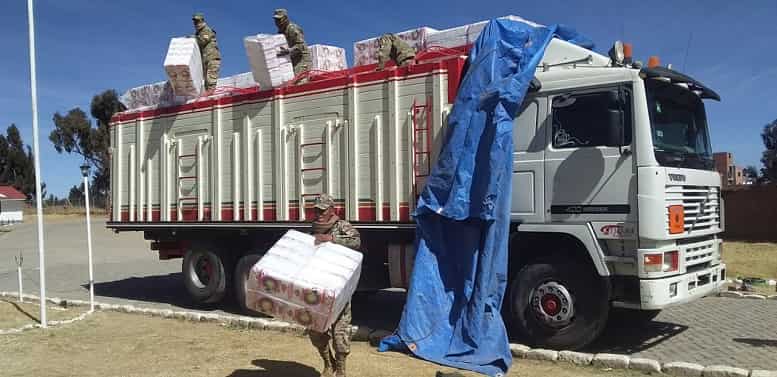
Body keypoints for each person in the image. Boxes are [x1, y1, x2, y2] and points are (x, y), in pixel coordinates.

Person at [309, 193, 361, 377]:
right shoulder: (313, 229)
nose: (319, 214)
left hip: (338, 287)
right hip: (318, 288)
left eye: (323, 210)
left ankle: (341, 369)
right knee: (316, 332)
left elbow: (356, 242)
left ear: (332, 209)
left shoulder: (342, 226)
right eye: (316, 210)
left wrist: (332, 239)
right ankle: (328, 363)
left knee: (340, 333)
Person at [273, 9, 312, 77]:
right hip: (292, 60)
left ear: (285, 18)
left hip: (302, 61)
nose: (277, 22)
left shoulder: (292, 28)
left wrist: (288, 51)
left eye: (279, 20)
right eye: (276, 20)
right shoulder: (281, 32)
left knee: (299, 81)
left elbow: (301, 46)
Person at [192, 13, 221, 91]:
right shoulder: (198, 34)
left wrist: (192, 39)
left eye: (198, 21)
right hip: (205, 59)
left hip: (212, 58)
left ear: (202, 20)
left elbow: (202, 41)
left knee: (210, 79)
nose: (196, 24)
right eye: (195, 22)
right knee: (206, 81)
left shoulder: (207, 30)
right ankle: (209, 94)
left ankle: (211, 94)